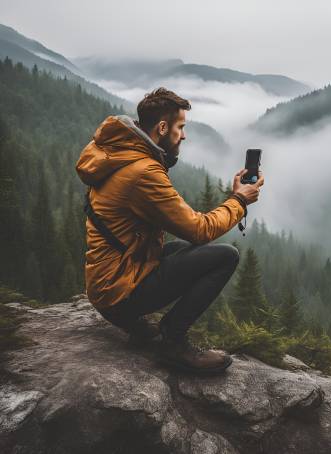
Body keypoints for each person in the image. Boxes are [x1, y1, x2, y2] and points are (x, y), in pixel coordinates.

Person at [75, 87, 264, 374]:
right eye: (180, 127)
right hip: (118, 292)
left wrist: (233, 197)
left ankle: (141, 327)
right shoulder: (144, 172)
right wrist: (239, 200)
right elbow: (199, 229)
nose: (184, 135)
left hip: (108, 281)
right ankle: (173, 344)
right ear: (162, 127)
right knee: (225, 256)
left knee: (188, 251)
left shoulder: (119, 154)